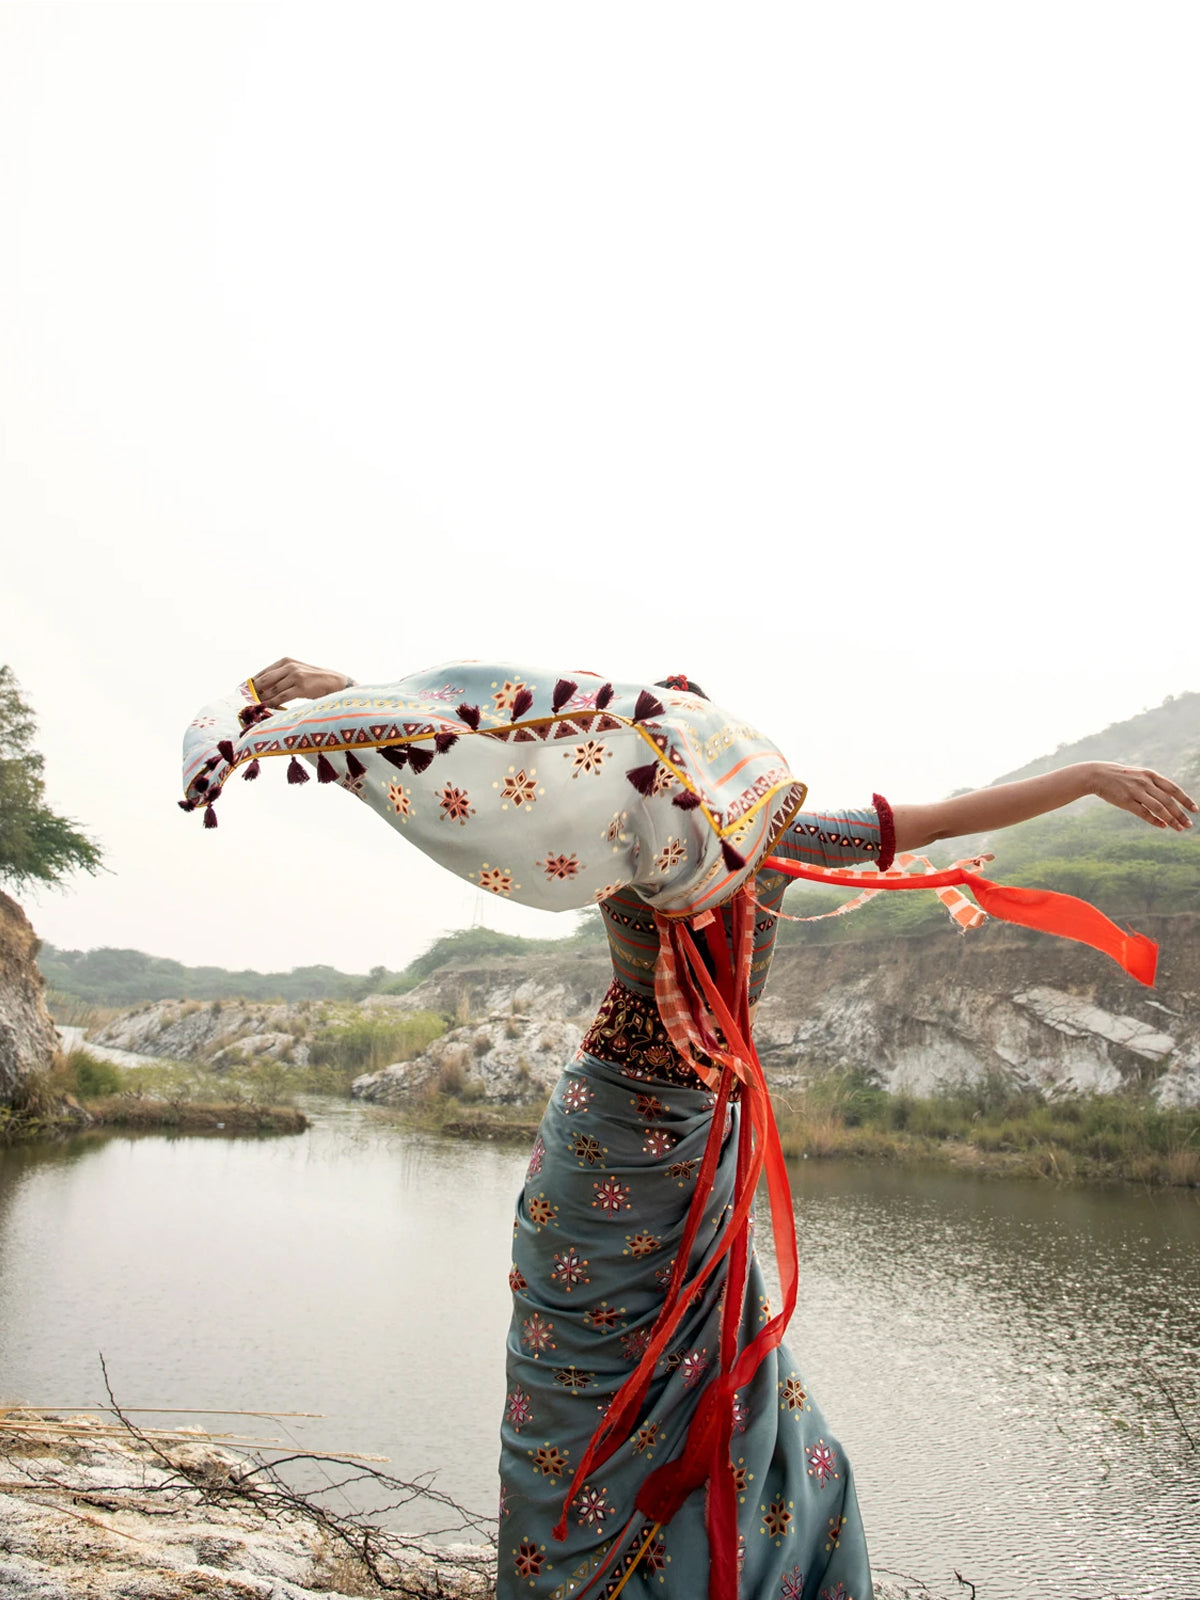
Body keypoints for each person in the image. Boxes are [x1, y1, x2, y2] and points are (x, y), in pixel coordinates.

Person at [184, 658, 1195, 1600]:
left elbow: (489, 740)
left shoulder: (667, 845)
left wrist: (1092, 775)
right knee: (581, 1375)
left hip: (661, 1139)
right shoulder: (730, 843)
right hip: (643, 1138)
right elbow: (489, 745)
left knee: (613, 1373)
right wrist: (1090, 777)